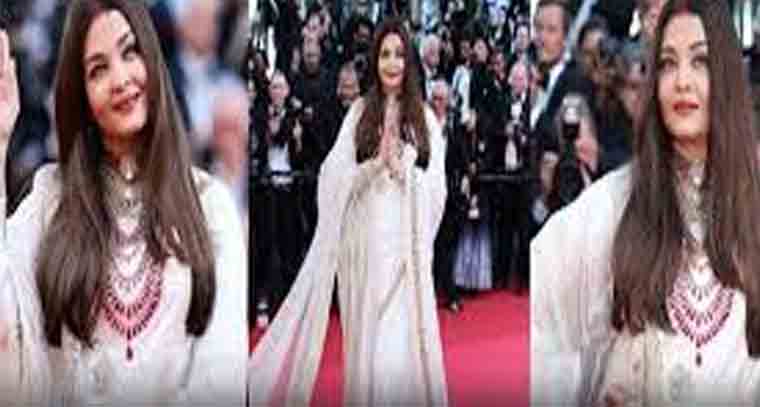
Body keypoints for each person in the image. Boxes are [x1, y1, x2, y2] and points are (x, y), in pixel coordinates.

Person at [0, 0, 247, 405]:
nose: (120, 79)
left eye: (130, 52)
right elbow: (8, 336)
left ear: (152, 57)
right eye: (98, 70)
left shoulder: (211, 207)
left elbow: (222, 377)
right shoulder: (50, 199)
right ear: (80, 95)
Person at [531, 1, 760, 405]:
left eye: (701, 61)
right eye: (668, 64)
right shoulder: (614, 204)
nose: (682, 81)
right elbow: (546, 296)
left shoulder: (751, 200)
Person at [249, 18, 448, 406]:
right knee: (370, 358)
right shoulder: (359, 112)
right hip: (366, 255)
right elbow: (331, 178)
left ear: (409, 62)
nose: (392, 63)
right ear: (375, 61)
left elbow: (438, 189)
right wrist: (372, 166)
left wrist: (404, 170)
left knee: (398, 356)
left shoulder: (424, 118)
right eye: (385, 54)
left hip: (407, 259)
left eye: (399, 54)